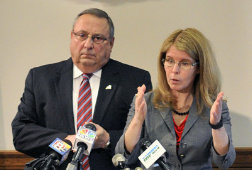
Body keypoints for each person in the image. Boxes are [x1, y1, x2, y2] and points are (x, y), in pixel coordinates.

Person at [11, 8, 152, 169]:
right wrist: (67, 140)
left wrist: (108, 139)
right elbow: (21, 133)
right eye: (82, 35)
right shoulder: (41, 78)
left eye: (98, 38)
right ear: (72, 36)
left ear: (111, 43)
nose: (88, 44)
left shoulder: (135, 80)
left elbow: (147, 136)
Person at [115, 28, 236, 169]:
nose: (174, 70)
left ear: (199, 68)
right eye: (170, 61)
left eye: (184, 63)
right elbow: (123, 155)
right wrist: (137, 121)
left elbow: (225, 162)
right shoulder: (146, 102)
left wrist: (216, 126)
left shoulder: (213, 107)